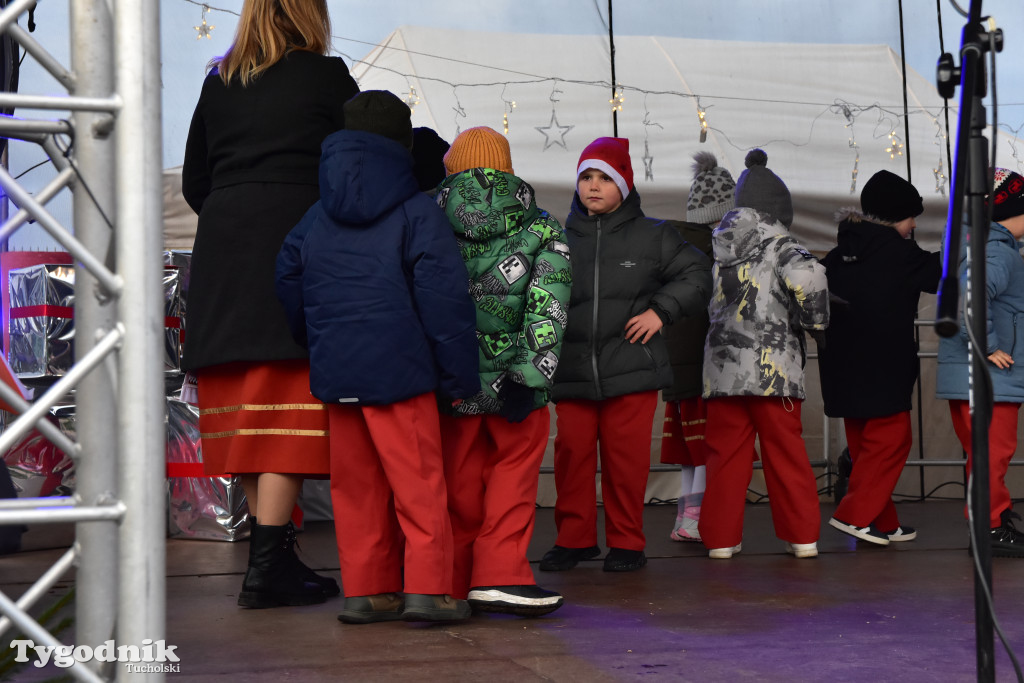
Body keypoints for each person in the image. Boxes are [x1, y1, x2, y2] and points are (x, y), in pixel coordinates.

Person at [275, 90, 480, 623]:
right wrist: (459, 377)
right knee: (419, 486)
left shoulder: (316, 215)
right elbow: (445, 301)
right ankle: (429, 591)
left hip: (338, 369)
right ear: (403, 141)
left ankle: (368, 591)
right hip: (401, 373)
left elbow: (287, 274)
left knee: (356, 489)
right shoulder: (417, 211)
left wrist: (316, 336)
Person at [181, 0, 358, 608]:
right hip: (295, 235)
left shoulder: (219, 80)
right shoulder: (326, 77)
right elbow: (353, 169)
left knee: (251, 413)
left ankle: (272, 557)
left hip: (225, 244)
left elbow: (193, 182)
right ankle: (265, 566)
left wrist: (238, 209)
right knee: (287, 406)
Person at [543, 137, 712, 573]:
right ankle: (574, 539)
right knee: (572, 457)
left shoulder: (654, 235)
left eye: (604, 178)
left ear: (624, 184)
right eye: (586, 177)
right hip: (574, 369)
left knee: (625, 462)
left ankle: (626, 543)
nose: (593, 186)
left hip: (632, 367)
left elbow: (697, 274)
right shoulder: (556, 239)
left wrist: (661, 311)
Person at [434, 126, 572, 616]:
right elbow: (547, 304)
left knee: (459, 482)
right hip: (517, 384)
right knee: (512, 478)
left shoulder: (428, 219)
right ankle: (499, 576)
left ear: (452, 168)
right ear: (508, 168)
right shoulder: (543, 227)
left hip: (451, 382)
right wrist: (529, 376)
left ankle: (455, 578)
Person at [699, 149, 828, 560]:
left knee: (725, 456)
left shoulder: (719, 248)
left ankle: (720, 540)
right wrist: (816, 322)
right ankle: (802, 536)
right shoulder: (783, 245)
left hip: (722, 372)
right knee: (785, 454)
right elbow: (810, 279)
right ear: (779, 208)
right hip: (775, 372)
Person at [819, 170, 940, 546]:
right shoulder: (899, 252)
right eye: (910, 217)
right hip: (884, 366)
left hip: (840, 366)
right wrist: (963, 243)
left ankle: (881, 521)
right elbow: (940, 276)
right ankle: (853, 515)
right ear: (893, 218)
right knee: (892, 441)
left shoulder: (837, 254)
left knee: (864, 449)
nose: (914, 224)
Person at [936, 167, 1024, 558]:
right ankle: (988, 527)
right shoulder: (995, 250)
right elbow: (971, 295)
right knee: (992, 452)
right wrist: (987, 345)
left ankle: (994, 517)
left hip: (974, 377)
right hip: (989, 378)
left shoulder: (977, 244)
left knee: (987, 452)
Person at [661, 152, 735, 543]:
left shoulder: (674, 248)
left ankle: (685, 518)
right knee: (709, 447)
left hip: (678, 363)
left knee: (692, 452)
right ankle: (696, 519)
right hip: (707, 364)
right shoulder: (717, 254)